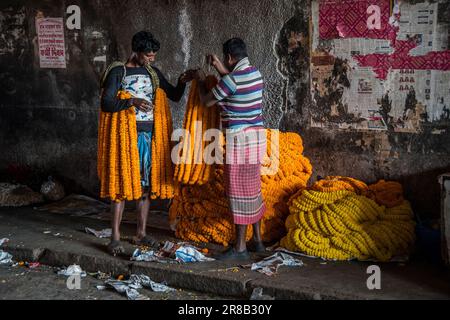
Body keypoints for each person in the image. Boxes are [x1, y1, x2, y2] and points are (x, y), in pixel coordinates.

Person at [100, 31, 195, 255]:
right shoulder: (118, 71)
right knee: (121, 186)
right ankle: (114, 237)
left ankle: (140, 233)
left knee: (145, 187)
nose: (151, 59)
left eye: (153, 56)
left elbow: (173, 95)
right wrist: (132, 100)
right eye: (148, 55)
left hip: (149, 137)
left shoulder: (152, 73)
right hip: (126, 137)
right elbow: (106, 103)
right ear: (136, 51)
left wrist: (182, 82)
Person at [195, 38, 267, 260]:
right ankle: (257, 241)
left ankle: (240, 249)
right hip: (256, 139)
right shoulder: (255, 73)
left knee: (238, 192)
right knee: (253, 189)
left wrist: (199, 80)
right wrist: (218, 66)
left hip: (240, 142)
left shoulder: (231, 81)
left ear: (229, 57)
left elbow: (206, 102)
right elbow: (233, 82)